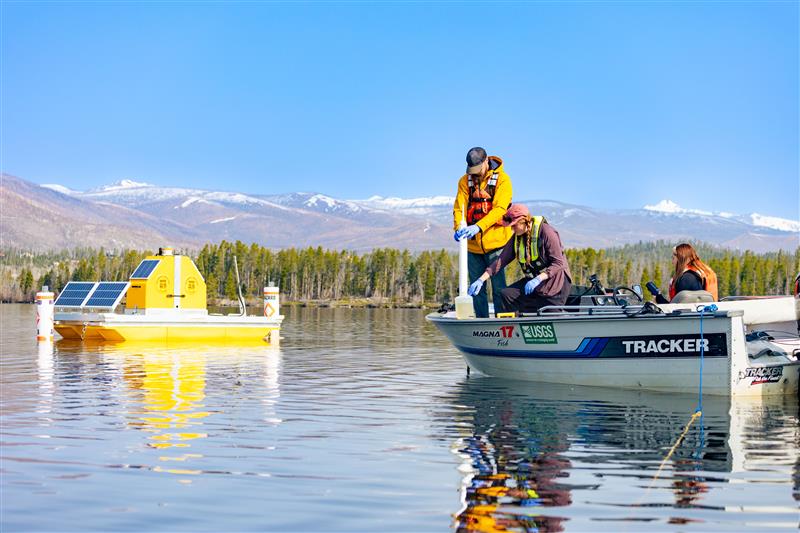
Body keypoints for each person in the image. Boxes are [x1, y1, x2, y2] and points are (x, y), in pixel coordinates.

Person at [468, 204, 572, 314]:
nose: (512, 229)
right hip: (534, 284)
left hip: (554, 285)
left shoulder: (547, 232)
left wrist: (538, 279)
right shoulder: (517, 237)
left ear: (523, 221)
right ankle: (514, 327)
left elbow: (558, 263)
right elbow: (500, 261)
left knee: (550, 319)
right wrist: (481, 280)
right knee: (507, 295)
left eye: (514, 225)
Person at [452, 147, 513, 318]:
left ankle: (503, 322)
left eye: (477, 170)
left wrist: (478, 227)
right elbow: (459, 207)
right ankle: (481, 322)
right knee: (476, 289)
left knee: (499, 287)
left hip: (497, 244)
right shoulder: (465, 181)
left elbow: (500, 209)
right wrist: (458, 227)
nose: (475, 174)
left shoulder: (503, 180)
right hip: (472, 247)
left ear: (486, 161)